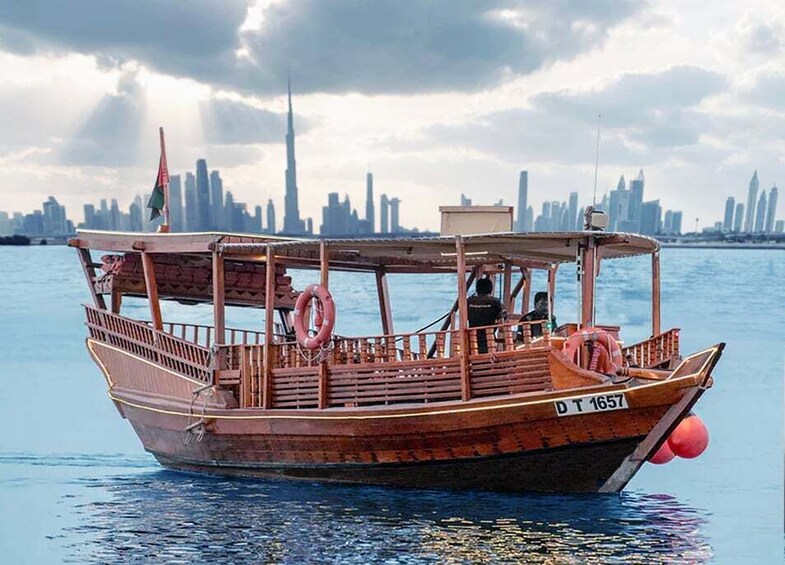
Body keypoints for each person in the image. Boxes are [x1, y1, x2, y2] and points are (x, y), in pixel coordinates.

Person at [467, 277, 507, 353]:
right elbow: (501, 327)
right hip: (488, 342)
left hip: (471, 341)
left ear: (477, 289)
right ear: (491, 290)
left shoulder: (468, 301)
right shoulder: (495, 302)